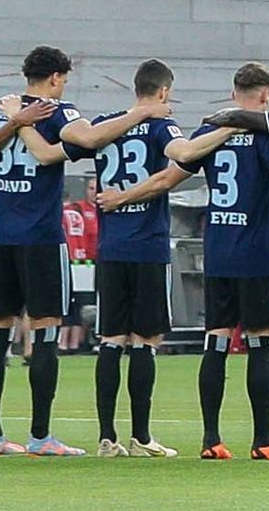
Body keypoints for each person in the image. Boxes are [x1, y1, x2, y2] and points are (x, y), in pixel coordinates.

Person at [164, 66, 269, 459]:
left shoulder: (209, 132)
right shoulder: (265, 136)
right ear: (265, 96)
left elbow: (173, 171)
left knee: (216, 342)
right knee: (260, 343)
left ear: (234, 94)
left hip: (218, 252)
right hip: (255, 254)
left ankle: (211, 440)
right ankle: (263, 440)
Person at [63, 65, 184, 454]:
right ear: (163, 92)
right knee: (146, 340)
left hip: (111, 247)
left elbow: (74, 141)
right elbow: (180, 158)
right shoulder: (161, 126)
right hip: (148, 246)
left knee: (111, 340)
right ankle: (142, 436)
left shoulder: (106, 125)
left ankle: (106, 436)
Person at [0, 50, 81, 454]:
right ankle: (40, 436)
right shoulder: (58, 112)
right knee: (46, 331)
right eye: (64, 80)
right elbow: (76, 142)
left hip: (4, 239)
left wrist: (11, 120)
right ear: (55, 78)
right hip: (41, 239)